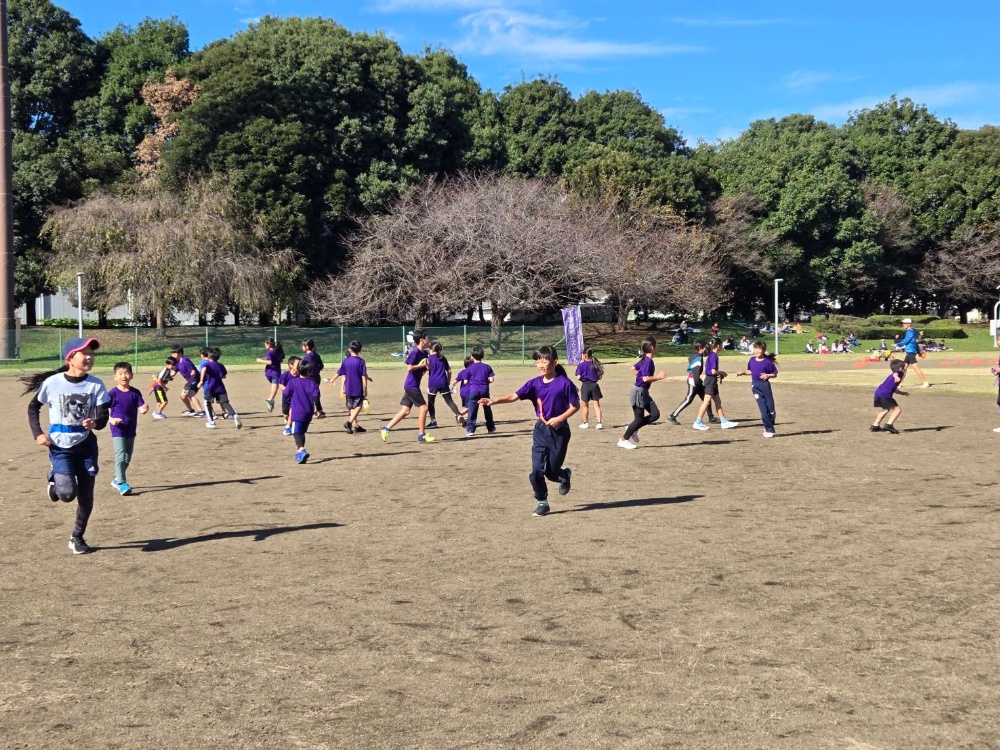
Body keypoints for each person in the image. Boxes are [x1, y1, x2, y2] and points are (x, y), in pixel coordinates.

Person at [21, 337, 111, 555]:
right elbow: (33, 408)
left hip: (86, 445)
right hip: (60, 446)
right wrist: (38, 434)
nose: (90, 357)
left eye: (92, 353)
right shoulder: (53, 383)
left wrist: (96, 423)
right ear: (71, 358)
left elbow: (103, 416)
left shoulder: (96, 384)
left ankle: (77, 537)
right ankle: (55, 482)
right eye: (85, 353)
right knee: (68, 494)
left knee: (87, 495)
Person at [480, 345, 578, 517]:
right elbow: (514, 396)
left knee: (552, 472)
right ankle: (542, 502)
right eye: (538, 361)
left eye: (544, 361)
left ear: (555, 362)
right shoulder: (534, 384)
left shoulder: (564, 383)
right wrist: (493, 400)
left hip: (559, 431)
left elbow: (575, 406)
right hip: (541, 430)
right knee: (536, 471)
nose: (541, 365)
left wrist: (560, 418)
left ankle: (563, 475)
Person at [381, 329, 435, 443]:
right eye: (427, 337)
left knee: (405, 411)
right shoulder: (414, 353)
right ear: (422, 340)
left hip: (413, 385)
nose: (429, 339)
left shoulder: (425, 353)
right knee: (424, 408)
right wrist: (421, 366)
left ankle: (385, 429)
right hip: (411, 386)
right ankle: (421, 435)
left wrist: (427, 367)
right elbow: (409, 368)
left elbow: (426, 367)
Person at [107, 361, 150, 495]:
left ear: (131, 375)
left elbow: (141, 407)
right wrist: (112, 420)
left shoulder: (135, 392)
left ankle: (116, 477)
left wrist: (144, 408)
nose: (123, 376)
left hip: (131, 428)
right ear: (115, 377)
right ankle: (121, 483)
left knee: (127, 457)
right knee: (120, 455)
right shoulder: (112, 393)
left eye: (126, 373)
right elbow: (103, 411)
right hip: (117, 429)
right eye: (120, 374)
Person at [618, 337, 666, 450]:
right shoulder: (647, 362)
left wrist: (640, 376)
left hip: (644, 392)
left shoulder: (645, 359)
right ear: (653, 347)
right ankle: (623, 440)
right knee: (638, 419)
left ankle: (633, 429)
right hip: (639, 392)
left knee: (655, 414)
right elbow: (645, 378)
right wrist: (658, 377)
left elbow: (633, 368)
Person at [693, 337, 739, 430]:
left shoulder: (711, 355)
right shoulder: (714, 356)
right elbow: (713, 371)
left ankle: (724, 422)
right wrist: (722, 373)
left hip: (712, 381)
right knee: (706, 402)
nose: (722, 346)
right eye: (721, 344)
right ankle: (697, 422)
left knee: (717, 401)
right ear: (718, 346)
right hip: (710, 381)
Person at [736, 341, 779, 437]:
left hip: (765, 386)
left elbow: (775, 373)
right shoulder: (751, 360)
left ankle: (770, 423)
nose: (756, 350)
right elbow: (750, 371)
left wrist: (768, 375)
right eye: (755, 348)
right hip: (755, 386)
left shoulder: (768, 362)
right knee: (763, 410)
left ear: (763, 350)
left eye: (758, 348)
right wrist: (742, 372)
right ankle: (769, 430)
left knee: (771, 409)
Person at [329, 340, 371, 434]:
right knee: (359, 406)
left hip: (348, 387)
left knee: (351, 407)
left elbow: (340, 372)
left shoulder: (346, 361)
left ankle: (355, 426)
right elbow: (363, 376)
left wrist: (332, 379)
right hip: (358, 388)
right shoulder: (361, 362)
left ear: (349, 349)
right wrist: (365, 388)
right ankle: (349, 422)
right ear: (360, 350)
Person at [668, 340, 713, 425]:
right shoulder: (698, 358)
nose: (707, 349)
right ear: (700, 348)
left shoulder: (696, 356)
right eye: (705, 348)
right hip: (693, 380)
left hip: (697, 380)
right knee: (688, 399)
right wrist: (696, 383)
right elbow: (695, 371)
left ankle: (711, 417)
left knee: (706, 398)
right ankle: (672, 415)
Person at [284, 359, 322, 463]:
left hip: (297, 411)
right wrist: (319, 410)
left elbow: (286, 393)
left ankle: (301, 449)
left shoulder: (293, 382)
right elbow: (316, 398)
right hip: (308, 412)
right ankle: (300, 454)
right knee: (302, 432)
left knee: (296, 432)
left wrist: (287, 404)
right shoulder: (313, 383)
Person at [198, 347, 242, 429]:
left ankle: (211, 422)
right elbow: (224, 375)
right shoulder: (220, 365)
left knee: (207, 403)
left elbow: (203, 370)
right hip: (220, 387)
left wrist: (201, 381)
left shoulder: (206, 364)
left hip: (209, 387)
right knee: (225, 403)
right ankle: (234, 415)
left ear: (209, 356)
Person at [424, 342, 462, 429]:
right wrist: (448, 382)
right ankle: (459, 415)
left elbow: (429, 369)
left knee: (431, 402)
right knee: (449, 401)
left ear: (432, 350)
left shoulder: (429, 358)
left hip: (433, 383)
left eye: (429, 349)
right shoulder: (443, 358)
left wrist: (426, 366)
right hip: (443, 382)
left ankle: (433, 421)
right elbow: (449, 371)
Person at [464, 345, 497, 436]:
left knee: (472, 410)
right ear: (483, 356)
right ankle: (490, 428)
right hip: (484, 390)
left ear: (472, 356)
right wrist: (484, 383)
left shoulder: (469, 368)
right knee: (487, 409)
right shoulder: (487, 367)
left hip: (474, 390)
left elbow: (466, 381)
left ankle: (470, 430)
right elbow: (491, 379)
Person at [872, 359, 909, 433]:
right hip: (885, 395)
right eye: (904, 366)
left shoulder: (896, 374)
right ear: (900, 368)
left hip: (879, 393)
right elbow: (895, 372)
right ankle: (889, 425)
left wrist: (902, 393)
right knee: (897, 410)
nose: (906, 368)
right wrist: (896, 376)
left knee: (886, 409)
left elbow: (893, 388)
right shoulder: (898, 373)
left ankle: (875, 425)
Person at [575, 348, 604, 429]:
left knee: (585, 406)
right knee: (597, 405)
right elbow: (600, 377)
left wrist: (582, 379)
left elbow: (578, 377)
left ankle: (585, 423)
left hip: (585, 385)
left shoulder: (581, 365)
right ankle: (599, 423)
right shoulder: (595, 364)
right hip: (594, 385)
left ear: (584, 355)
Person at [170, 347, 204, 417]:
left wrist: (189, 383)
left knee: (190, 394)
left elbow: (193, 372)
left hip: (195, 379)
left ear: (180, 354)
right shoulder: (176, 362)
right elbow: (173, 373)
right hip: (190, 381)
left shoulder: (185, 361)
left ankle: (201, 411)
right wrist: (165, 376)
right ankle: (190, 410)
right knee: (183, 396)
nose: (172, 355)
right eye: (172, 353)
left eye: (174, 353)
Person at [898, 318, 930, 387]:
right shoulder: (912, 331)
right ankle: (900, 383)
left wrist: (898, 344)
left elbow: (906, 341)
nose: (903, 324)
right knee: (904, 367)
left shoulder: (910, 332)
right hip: (910, 351)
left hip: (910, 351)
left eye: (905, 323)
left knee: (915, 367)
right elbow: (915, 343)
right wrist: (918, 352)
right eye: (903, 323)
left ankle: (925, 382)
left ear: (909, 324)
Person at [257, 337, 285, 413]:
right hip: (275, 372)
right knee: (276, 385)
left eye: (265, 344)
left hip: (270, 372)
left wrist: (260, 361)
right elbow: (281, 358)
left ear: (269, 344)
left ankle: (271, 399)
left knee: (275, 385)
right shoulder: (278, 351)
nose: (265, 346)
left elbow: (270, 362)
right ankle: (271, 399)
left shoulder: (269, 352)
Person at [300, 339, 325, 417]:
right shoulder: (316, 355)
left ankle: (319, 411)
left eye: (302, 346)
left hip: (309, 378)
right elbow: (321, 365)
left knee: (314, 394)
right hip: (316, 377)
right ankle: (316, 410)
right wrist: (316, 371)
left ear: (307, 347)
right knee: (313, 394)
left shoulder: (307, 357)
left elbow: (302, 368)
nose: (301, 347)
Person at [279, 356, 301, 436]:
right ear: (291, 365)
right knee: (286, 414)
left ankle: (287, 427)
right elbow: (281, 385)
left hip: (295, 398)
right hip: (286, 399)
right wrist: (287, 390)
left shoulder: (300, 375)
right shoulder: (285, 375)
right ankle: (287, 421)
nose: (300, 365)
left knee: (292, 411)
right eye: (298, 363)